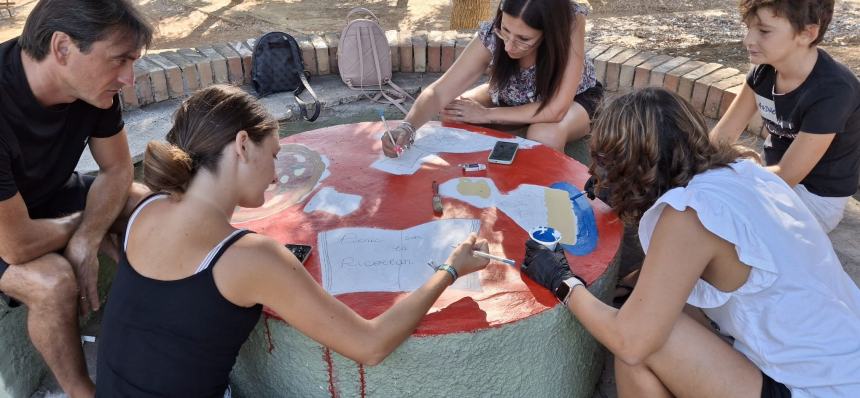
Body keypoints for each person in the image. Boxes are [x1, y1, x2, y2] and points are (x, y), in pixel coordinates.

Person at [95, 85, 490, 396]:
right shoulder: (251, 257)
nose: (275, 175)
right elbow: (372, 345)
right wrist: (450, 268)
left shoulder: (144, 208)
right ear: (243, 144)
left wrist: (85, 243)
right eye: (274, 155)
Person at [522, 88, 860, 397]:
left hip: (818, 388)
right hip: (842, 361)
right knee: (652, 323)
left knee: (643, 343)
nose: (597, 174)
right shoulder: (744, 173)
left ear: (636, 169)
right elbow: (681, 274)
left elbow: (631, 341)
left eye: (607, 165)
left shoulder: (688, 215)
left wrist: (561, 280)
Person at [0, 0, 152, 396]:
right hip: (5, 229)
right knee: (51, 282)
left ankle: (156, 334)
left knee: (146, 206)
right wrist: (84, 226)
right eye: (120, 60)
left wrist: (87, 238)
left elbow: (118, 170)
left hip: (46, 196)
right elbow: (16, 245)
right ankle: (80, 390)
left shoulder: (93, 87)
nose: (129, 78)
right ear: (62, 47)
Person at [710, 0, 860, 233]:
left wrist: (727, 180)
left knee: (723, 225)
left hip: (816, 198)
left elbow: (787, 176)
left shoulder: (834, 90)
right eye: (748, 28)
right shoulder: (764, 72)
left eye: (764, 31)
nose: (748, 40)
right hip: (771, 177)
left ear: (808, 33)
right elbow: (719, 140)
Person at [381, 0, 602, 154]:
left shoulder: (571, 22)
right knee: (454, 112)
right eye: (504, 31)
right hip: (514, 94)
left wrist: (487, 115)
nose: (508, 46)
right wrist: (407, 127)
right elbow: (439, 91)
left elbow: (556, 109)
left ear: (549, 32)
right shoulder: (492, 33)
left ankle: (545, 195)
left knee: (544, 134)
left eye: (523, 39)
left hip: (573, 100)